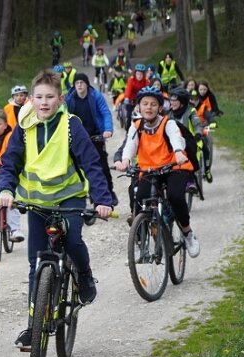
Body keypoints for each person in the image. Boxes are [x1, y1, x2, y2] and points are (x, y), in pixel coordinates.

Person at [0, 71, 112, 349]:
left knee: (72, 241)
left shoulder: (71, 126)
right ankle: (34, 327)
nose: (44, 102)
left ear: (60, 99)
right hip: (37, 203)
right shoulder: (24, 126)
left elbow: (91, 163)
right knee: (36, 265)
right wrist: (5, 189)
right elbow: (11, 162)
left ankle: (83, 274)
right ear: (30, 100)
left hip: (69, 198)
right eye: (38, 97)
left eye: (49, 97)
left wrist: (102, 199)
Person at [115, 86, 200, 258]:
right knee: (138, 198)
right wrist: (125, 160)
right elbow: (130, 145)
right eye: (145, 104)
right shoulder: (136, 126)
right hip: (150, 169)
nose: (149, 107)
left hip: (173, 167)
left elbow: (177, 138)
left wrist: (178, 151)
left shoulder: (167, 123)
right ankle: (140, 243)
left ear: (160, 108)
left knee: (176, 196)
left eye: (153, 104)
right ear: (138, 107)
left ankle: (187, 232)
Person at [65, 72, 118, 206]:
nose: (79, 85)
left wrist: (107, 130)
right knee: (75, 167)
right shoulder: (69, 98)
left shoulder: (95, 96)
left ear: (87, 85)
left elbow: (105, 112)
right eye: (77, 83)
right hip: (77, 138)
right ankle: (78, 197)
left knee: (102, 166)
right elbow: (63, 114)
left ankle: (109, 192)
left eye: (82, 83)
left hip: (95, 135)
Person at [0, 110, 25, 242]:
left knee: (12, 198)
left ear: (5, 125)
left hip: (8, 171)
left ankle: (15, 229)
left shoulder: (12, 137)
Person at [168, 87, 205, 192]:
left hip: (190, 141)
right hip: (174, 143)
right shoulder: (169, 113)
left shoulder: (191, 111)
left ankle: (191, 181)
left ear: (182, 102)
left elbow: (197, 124)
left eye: (175, 100)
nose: (172, 103)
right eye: (171, 100)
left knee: (189, 158)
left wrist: (198, 134)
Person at [123, 63, 151, 130]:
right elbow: (128, 89)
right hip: (131, 100)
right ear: (135, 73)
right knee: (129, 117)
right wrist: (126, 97)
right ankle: (127, 133)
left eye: (141, 74)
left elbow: (148, 90)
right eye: (138, 74)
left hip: (141, 100)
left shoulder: (146, 81)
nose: (139, 76)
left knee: (145, 116)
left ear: (143, 74)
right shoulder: (131, 79)